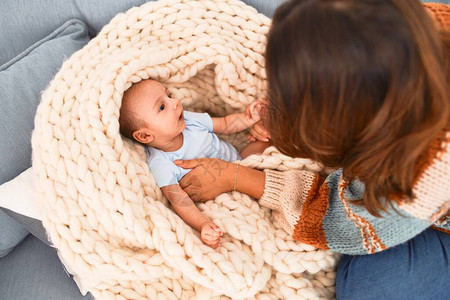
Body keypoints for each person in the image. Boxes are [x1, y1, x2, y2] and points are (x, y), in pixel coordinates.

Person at [173, 0, 450, 298]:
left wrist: (236, 176)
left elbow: (342, 221)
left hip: (435, 212)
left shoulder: (423, 173)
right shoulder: (423, 24)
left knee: (370, 286)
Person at [119, 79, 268, 248]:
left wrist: (248, 119)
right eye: (162, 107)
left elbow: (225, 124)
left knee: (268, 139)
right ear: (145, 136)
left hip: (241, 162)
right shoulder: (161, 164)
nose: (175, 103)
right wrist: (202, 224)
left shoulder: (190, 120)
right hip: (217, 195)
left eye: (169, 95)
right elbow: (180, 201)